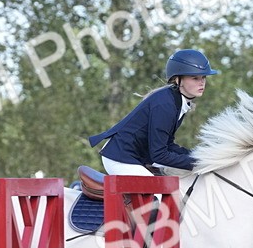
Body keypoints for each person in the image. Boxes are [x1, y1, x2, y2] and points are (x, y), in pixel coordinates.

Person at [88, 49, 219, 176]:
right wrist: (198, 163)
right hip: (120, 158)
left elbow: (168, 145)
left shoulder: (177, 100)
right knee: (157, 193)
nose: (202, 82)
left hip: (135, 157)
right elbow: (159, 154)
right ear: (177, 79)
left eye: (204, 77)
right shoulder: (165, 104)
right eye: (195, 78)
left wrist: (197, 155)